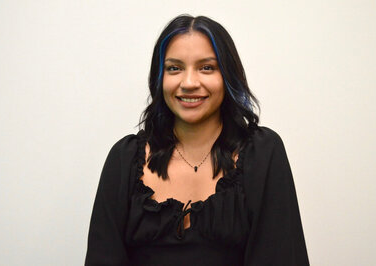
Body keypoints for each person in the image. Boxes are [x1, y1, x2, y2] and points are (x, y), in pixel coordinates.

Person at [85, 14, 309, 266]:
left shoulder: (263, 152)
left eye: (207, 67)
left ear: (228, 76)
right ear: (159, 78)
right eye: (174, 68)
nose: (189, 83)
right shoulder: (124, 159)